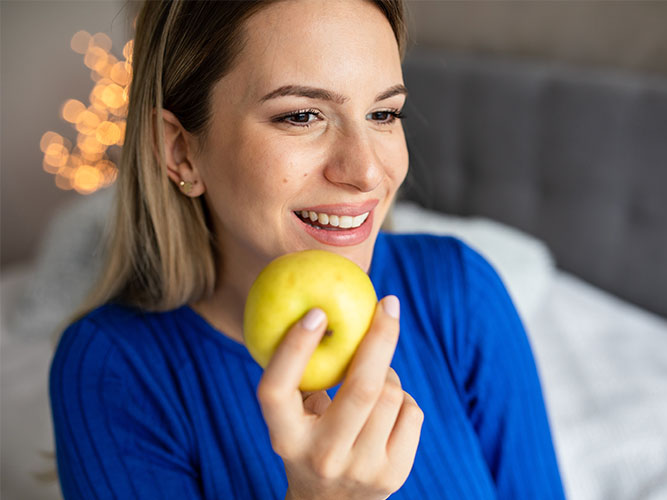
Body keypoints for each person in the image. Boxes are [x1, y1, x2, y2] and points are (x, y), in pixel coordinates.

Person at [49, 1, 566, 498]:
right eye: (301, 116)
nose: (365, 171)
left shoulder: (460, 291)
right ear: (181, 150)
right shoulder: (111, 370)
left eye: (384, 114)